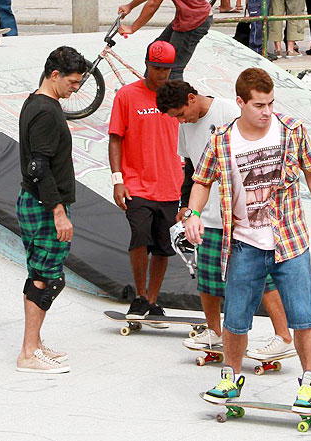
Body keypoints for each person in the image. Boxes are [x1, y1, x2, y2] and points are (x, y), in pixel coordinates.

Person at [184, 68, 311, 412]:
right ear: (240, 102)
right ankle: (229, 378)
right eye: (258, 105)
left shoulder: (291, 131)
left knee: (304, 317)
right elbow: (201, 181)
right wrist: (193, 215)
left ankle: (310, 384)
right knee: (236, 317)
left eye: (270, 103)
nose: (267, 111)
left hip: (290, 243)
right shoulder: (222, 140)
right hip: (243, 244)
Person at [156, 80, 296, 358]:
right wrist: (186, 206)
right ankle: (214, 333)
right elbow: (192, 169)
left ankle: (283, 336)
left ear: (192, 98)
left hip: (242, 215)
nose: (182, 121)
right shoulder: (184, 124)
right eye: (177, 118)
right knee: (206, 276)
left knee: (262, 277)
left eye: (182, 114)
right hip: (206, 215)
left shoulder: (229, 112)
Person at [16, 46, 86, 373]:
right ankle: (28, 353)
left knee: (42, 274)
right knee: (45, 278)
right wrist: (58, 210)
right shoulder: (45, 111)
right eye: (72, 82)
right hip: (45, 205)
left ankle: (36, 344)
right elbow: (38, 166)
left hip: (40, 201)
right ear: (54, 75)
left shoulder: (39, 102)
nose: (77, 88)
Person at [108, 41, 183, 321]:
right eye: (156, 68)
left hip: (170, 184)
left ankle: (153, 300)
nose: (161, 74)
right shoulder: (127, 96)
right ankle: (139, 297)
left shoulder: (177, 98)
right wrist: (118, 180)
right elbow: (115, 138)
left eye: (166, 69)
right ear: (146, 64)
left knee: (163, 246)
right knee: (140, 237)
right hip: (136, 183)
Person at [117, 0, 212, 81]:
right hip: (186, 17)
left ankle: (178, 101)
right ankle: (149, 91)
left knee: (173, 68)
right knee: (155, 50)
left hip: (195, 20)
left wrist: (132, 28)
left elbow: (153, 4)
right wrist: (130, 6)